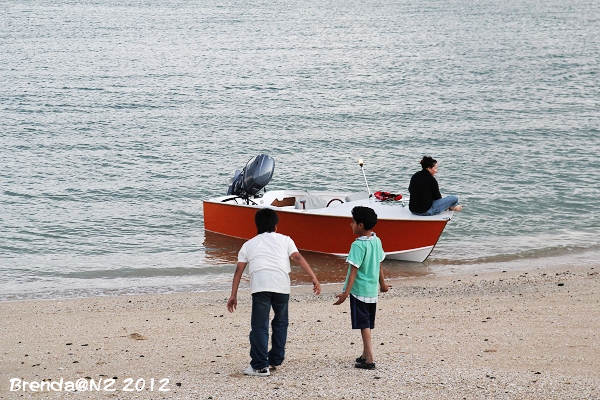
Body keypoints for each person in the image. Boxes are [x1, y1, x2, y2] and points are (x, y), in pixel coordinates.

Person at [227, 208, 321, 377]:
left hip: (261, 286)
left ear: (256, 226)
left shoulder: (248, 245)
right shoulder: (286, 240)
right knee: (280, 322)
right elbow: (298, 257)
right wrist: (313, 278)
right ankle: (275, 360)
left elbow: (239, 270)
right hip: (281, 286)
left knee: (259, 326)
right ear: (276, 226)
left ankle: (260, 366)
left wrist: (233, 295)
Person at [333, 206, 391, 370]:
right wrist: (383, 284)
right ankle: (365, 354)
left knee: (364, 324)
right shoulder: (376, 240)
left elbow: (353, 272)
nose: (350, 225)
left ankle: (370, 359)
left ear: (360, 225)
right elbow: (379, 264)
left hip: (359, 292)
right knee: (367, 322)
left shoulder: (357, 245)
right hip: (372, 290)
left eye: (352, 222)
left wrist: (345, 293)